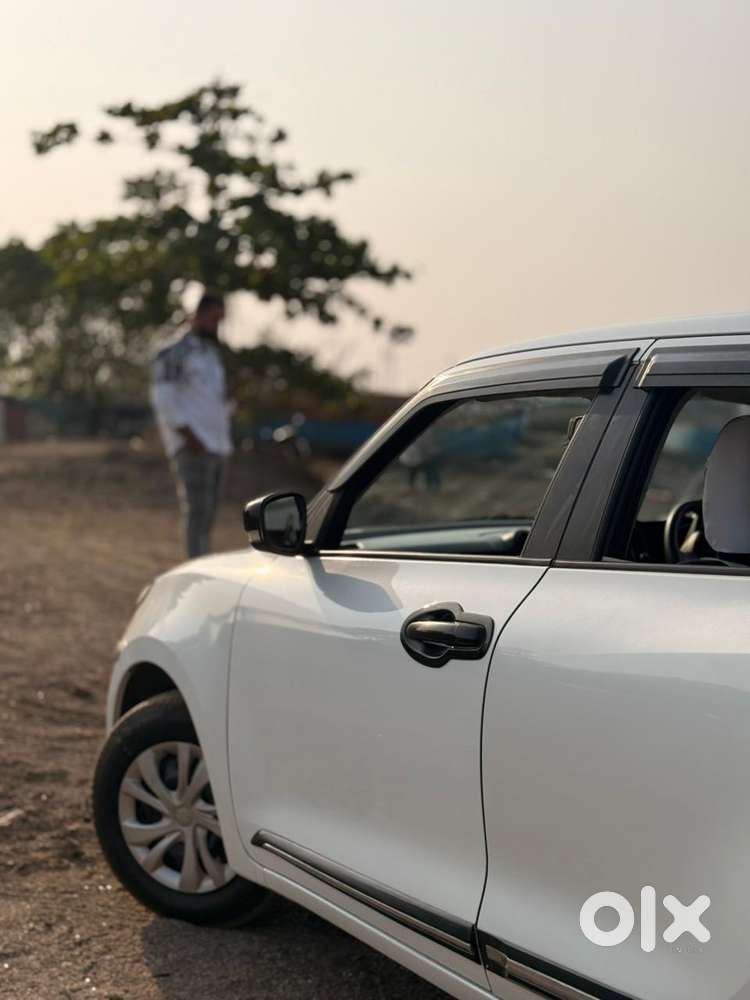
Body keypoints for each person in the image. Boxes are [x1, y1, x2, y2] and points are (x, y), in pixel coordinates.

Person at [151, 291, 232, 558]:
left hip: (217, 446)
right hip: (193, 445)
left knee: (208, 514)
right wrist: (189, 437)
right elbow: (164, 400)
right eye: (212, 318)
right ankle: (196, 568)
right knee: (197, 513)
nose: (216, 325)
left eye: (220, 320)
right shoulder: (173, 353)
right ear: (196, 315)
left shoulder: (212, 354)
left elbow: (215, 401)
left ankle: (202, 563)